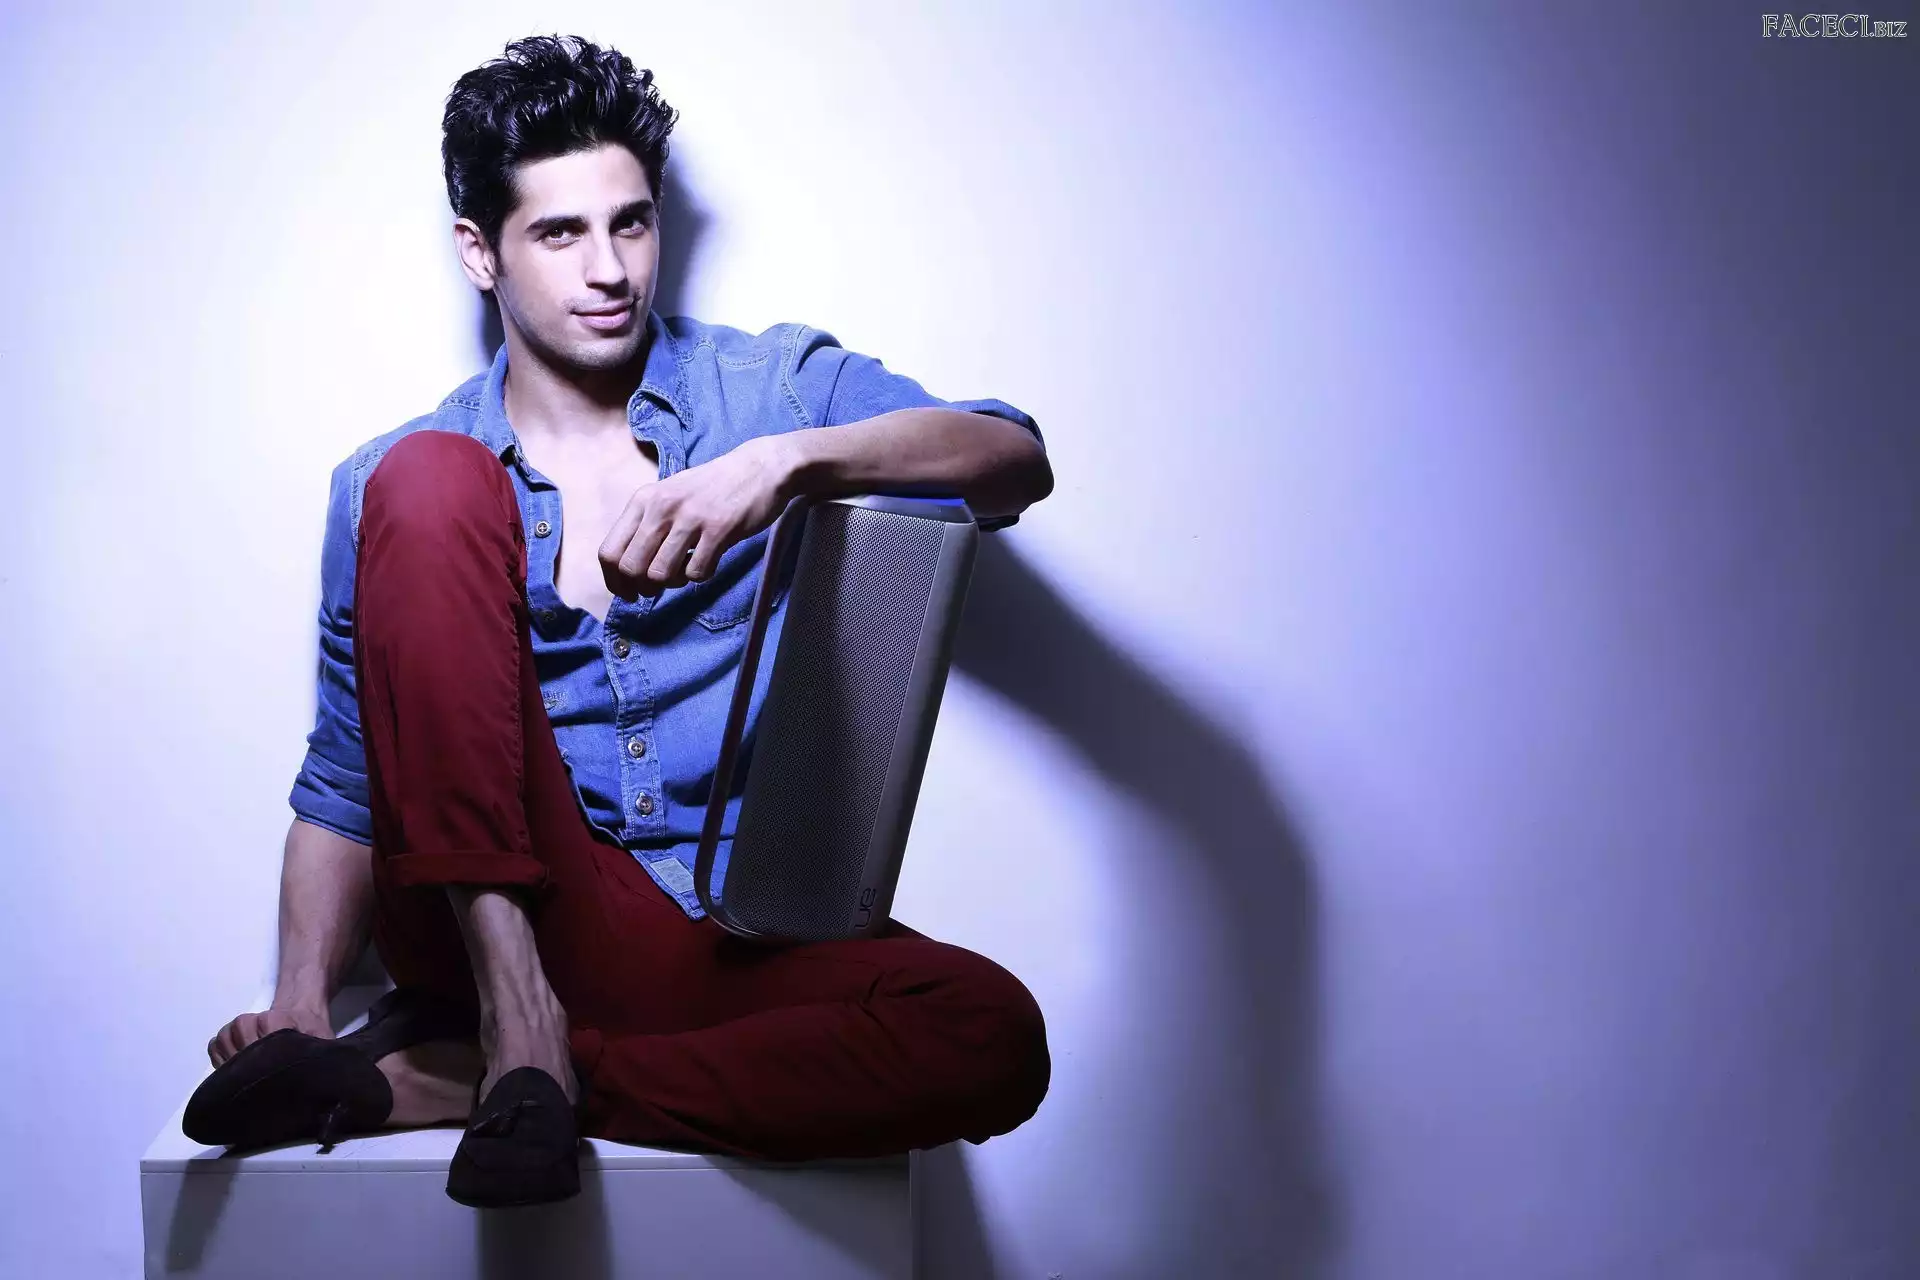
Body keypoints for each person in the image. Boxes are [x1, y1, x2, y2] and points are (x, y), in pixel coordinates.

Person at [187, 33, 1054, 1208]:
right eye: (560, 233)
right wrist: (298, 996)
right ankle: (514, 1011)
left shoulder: (765, 392)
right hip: (494, 911)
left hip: (705, 926)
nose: (610, 270)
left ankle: (479, 1072)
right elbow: (347, 777)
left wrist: (786, 464)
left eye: (631, 223)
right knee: (429, 480)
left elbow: (1010, 457)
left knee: (989, 1030)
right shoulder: (387, 477)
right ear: (479, 252)